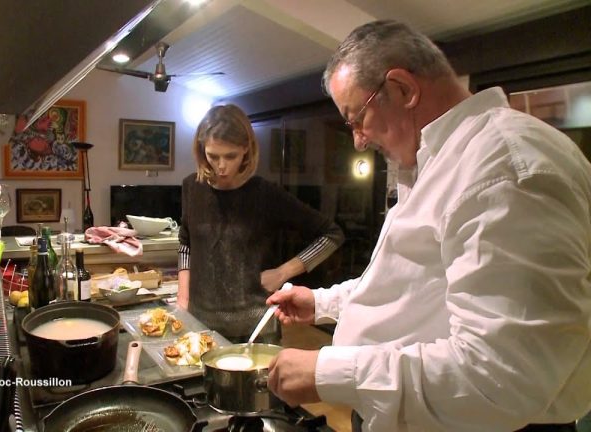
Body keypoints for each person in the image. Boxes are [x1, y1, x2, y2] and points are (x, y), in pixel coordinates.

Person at [266, 20, 591, 432]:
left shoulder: (501, 166)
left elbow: (500, 378)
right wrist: (321, 302)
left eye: (356, 118)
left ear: (402, 89)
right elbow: (413, 287)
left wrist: (329, 371)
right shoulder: (437, 161)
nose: (358, 140)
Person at [177, 104, 345, 344]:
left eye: (230, 156)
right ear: (202, 149)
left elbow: (332, 235)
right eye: (213, 156)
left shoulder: (265, 194)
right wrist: (183, 298)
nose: (221, 166)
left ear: (246, 149)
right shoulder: (192, 187)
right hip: (200, 323)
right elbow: (186, 242)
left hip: (255, 327)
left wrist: (283, 272)